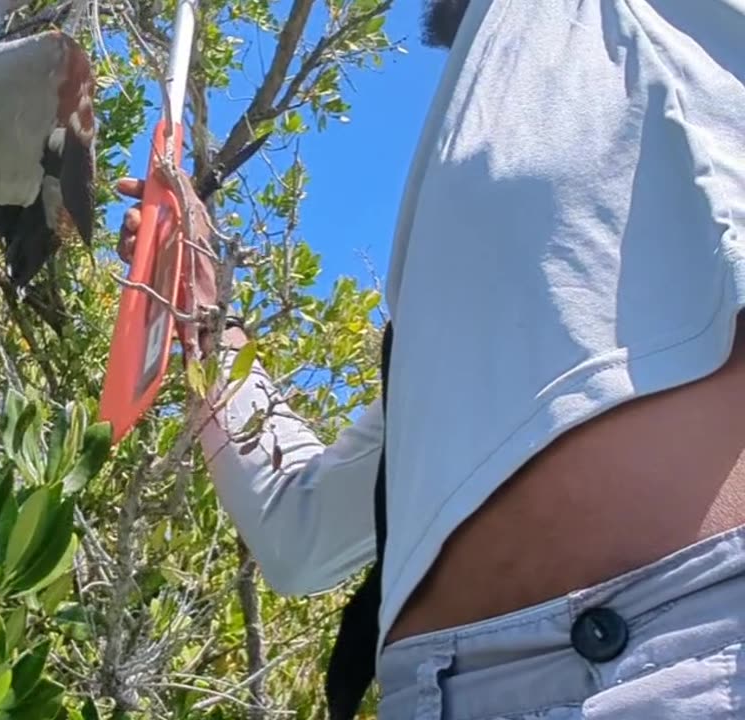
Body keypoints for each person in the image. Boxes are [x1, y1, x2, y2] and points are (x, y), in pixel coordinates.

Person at [114, 0, 745, 718]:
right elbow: (301, 532)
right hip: (436, 693)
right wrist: (204, 313)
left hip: (694, 647)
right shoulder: (448, 310)